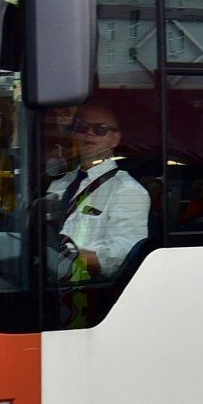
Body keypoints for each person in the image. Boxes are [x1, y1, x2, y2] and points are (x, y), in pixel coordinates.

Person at [46, 101, 150, 280]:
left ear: (115, 139)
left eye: (100, 129)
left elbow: (123, 256)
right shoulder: (60, 183)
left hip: (87, 292)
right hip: (46, 284)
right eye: (82, 128)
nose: (89, 134)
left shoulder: (128, 191)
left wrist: (66, 256)